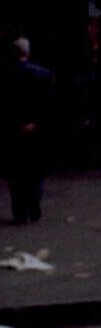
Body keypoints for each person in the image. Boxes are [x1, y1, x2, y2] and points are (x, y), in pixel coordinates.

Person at [2, 37, 55, 224]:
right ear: (28, 52)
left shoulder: (6, 75)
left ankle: (20, 210)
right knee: (35, 171)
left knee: (16, 173)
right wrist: (37, 123)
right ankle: (33, 203)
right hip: (36, 131)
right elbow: (49, 105)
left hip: (13, 131)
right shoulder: (43, 75)